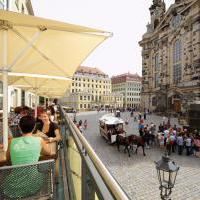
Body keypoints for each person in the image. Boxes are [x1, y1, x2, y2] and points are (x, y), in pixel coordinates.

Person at [2, 116, 51, 199]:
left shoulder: (12, 142)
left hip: (13, 187)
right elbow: (49, 152)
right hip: (34, 184)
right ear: (34, 127)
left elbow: (8, 160)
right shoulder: (39, 140)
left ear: (19, 127)